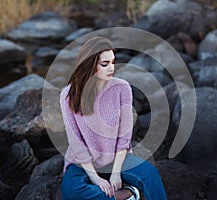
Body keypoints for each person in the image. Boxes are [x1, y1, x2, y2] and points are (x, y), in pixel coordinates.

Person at [60, 36, 167, 200]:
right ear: (89, 65)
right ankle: (127, 195)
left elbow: (124, 138)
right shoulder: (68, 95)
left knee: (150, 175)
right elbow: (76, 142)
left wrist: (115, 174)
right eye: (105, 64)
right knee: (72, 192)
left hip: (117, 159)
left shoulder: (122, 88)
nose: (111, 68)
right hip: (82, 163)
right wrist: (95, 178)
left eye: (113, 62)